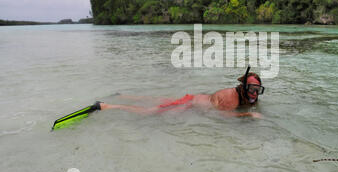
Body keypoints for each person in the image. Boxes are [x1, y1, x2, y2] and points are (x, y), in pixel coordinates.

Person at [99, 67, 264, 118]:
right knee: (150, 112)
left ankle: (122, 95)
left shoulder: (248, 97)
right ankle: (109, 106)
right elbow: (223, 116)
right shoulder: (232, 98)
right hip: (190, 104)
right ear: (243, 88)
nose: (255, 93)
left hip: (193, 99)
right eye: (252, 89)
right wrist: (247, 115)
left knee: (154, 99)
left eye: (258, 90)